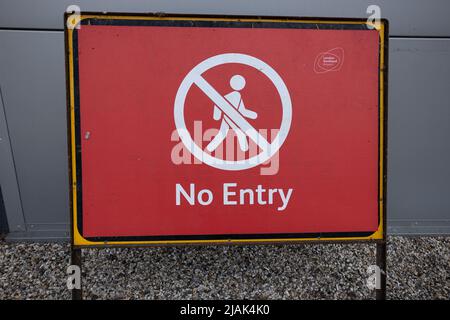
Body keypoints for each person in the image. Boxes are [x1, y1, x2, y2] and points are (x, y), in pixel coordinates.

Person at [206, 75, 257, 152]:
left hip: (230, 117)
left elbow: (241, 110)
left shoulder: (235, 96)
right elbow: (219, 105)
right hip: (231, 118)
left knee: (224, 133)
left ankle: (209, 149)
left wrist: (253, 115)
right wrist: (253, 115)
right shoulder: (236, 95)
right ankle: (245, 149)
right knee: (238, 132)